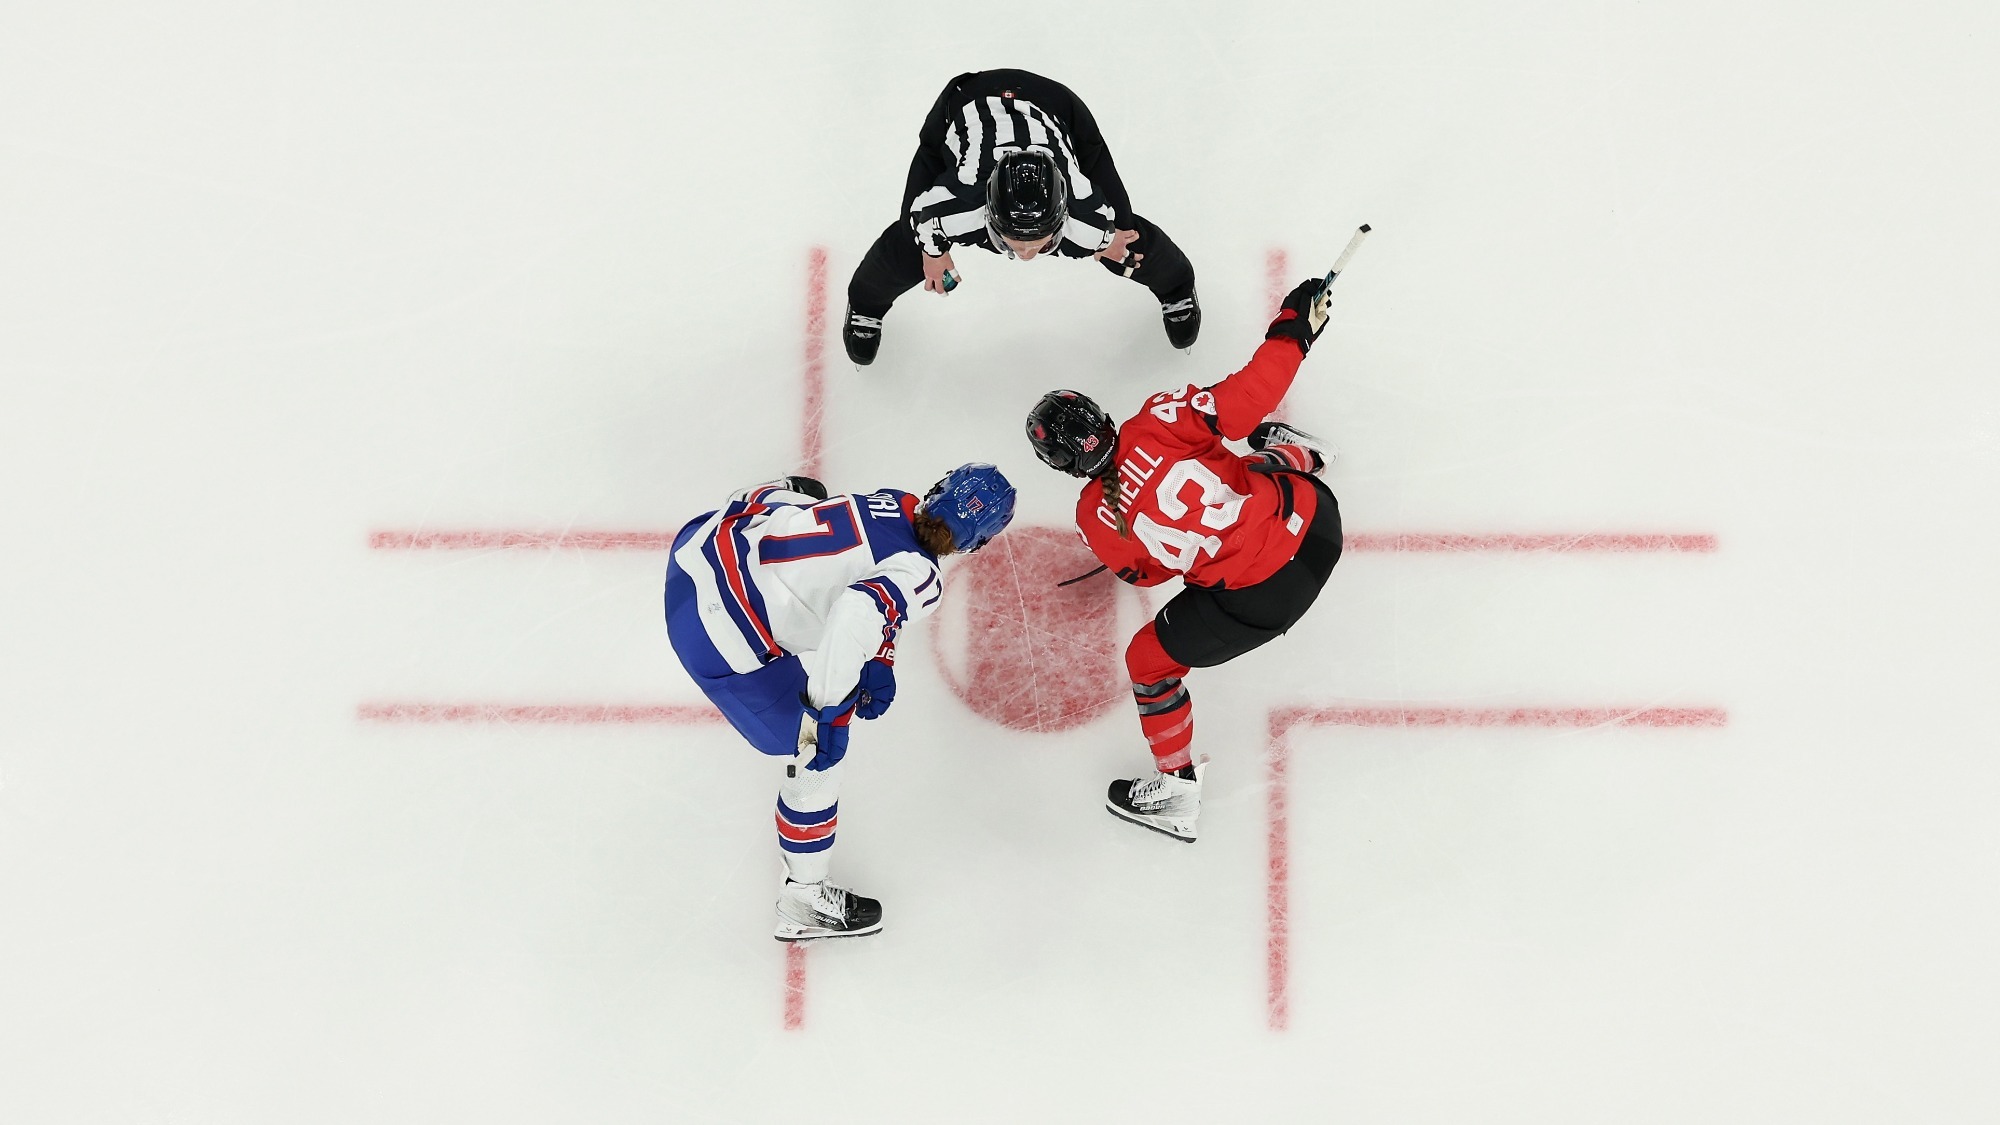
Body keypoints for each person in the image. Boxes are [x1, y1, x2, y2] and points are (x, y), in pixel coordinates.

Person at [1023, 278, 1342, 842]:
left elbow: (1144, 573)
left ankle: (1175, 790)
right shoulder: (1158, 419)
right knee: (1238, 459)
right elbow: (1247, 396)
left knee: (1149, 662)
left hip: (1268, 602)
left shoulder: (1096, 516)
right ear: (1101, 417)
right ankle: (1306, 454)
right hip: (1318, 520)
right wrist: (1296, 326)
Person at [664, 464, 1016, 938]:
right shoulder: (924, 577)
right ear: (977, 542)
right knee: (817, 755)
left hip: (700, 550)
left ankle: (782, 487)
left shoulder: (895, 499)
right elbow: (858, 610)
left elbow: (867, 581)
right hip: (713, 630)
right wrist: (827, 713)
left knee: (801, 502)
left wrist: (882, 654)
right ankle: (803, 900)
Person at [843, 69, 1200, 366]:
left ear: (1064, 216)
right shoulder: (956, 206)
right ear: (986, 212)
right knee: (911, 241)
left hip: (1056, 105)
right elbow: (922, 218)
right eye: (1014, 242)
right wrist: (934, 254)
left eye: (1038, 242)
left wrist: (1110, 242)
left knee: (1127, 239)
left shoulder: (1091, 219)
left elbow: (1112, 234)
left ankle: (1178, 288)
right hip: (967, 102)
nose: (1027, 255)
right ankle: (865, 306)